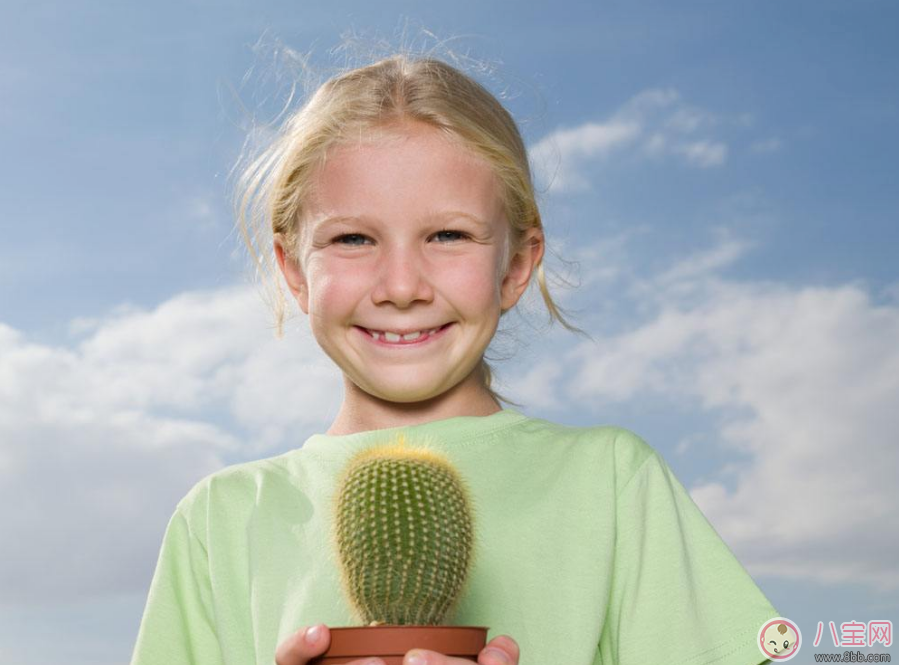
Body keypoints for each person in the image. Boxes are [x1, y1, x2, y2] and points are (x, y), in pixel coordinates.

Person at [130, 52, 780, 665]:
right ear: (294, 271)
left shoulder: (612, 483)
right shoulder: (220, 517)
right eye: (352, 238)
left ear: (516, 266)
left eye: (447, 235)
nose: (402, 286)